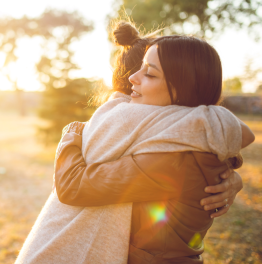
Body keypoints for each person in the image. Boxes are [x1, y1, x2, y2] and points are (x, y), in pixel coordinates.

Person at [15, 22, 250, 264]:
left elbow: (73, 186)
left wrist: (73, 131)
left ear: (183, 90)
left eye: (149, 73)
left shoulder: (175, 161)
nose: (132, 79)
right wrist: (234, 172)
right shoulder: (179, 142)